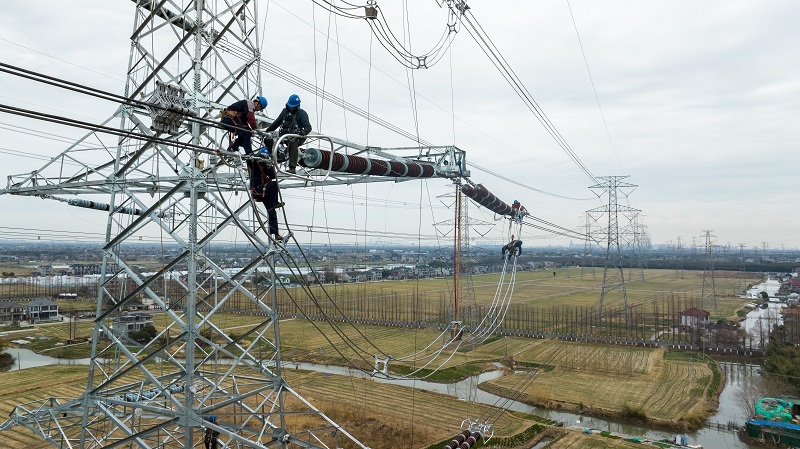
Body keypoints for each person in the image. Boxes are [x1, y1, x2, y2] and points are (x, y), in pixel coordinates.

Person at [265, 94, 312, 174]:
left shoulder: (302, 113)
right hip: (284, 135)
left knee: (293, 142)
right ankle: (278, 156)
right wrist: (267, 132)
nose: (291, 108)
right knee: (268, 139)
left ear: (297, 106)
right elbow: (277, 122)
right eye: (290, 106)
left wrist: (302, 133)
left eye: (293, 107)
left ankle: (292, 167)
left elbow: (308, 127)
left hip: (296, 136)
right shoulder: (285, 111)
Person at [248, 148, 284, 241]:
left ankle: (276, 234)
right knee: (274, 184)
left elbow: (273, 175)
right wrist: (258, 156)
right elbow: (248, 159)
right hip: (258, 190)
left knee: (272, 212)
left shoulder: (266, 167)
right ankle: (275, 202)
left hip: (265, 192)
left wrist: (269, 166)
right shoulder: (255, 165)